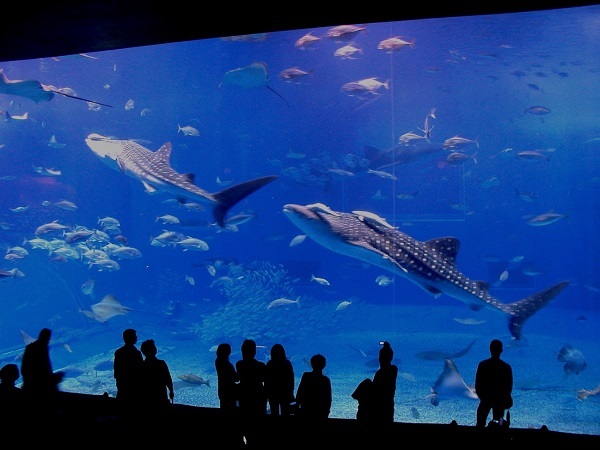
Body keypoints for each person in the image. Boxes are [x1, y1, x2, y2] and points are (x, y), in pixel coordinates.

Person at [20, 328, 65, 419]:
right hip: (41, 388)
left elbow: (25, 369)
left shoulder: (31, 347)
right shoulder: (40, 348)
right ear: (47, 338)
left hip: (31, 386)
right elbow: (42, 371)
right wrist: (51, 380)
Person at [475, 339, 513, 428]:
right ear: (501, 351)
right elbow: (509, 387)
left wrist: (484, 399)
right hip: (499, 402)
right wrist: (502, 399)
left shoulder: (483, 365)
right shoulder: (506, 367)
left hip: (485, 401)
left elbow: (478, 385)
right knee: (499, 425)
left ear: (490, 349)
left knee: (480, 424)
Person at [236, 339, 267, 445]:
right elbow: (264, 379)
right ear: (254, 351)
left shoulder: (239, 364)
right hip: (258, 395)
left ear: (242, 351)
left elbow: (239, 378)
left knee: (245, 419)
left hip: (244, 395)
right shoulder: (261, 365)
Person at [139, 339, 174, 417]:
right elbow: (168, 378)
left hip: (147, 398)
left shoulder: (141, 365)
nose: (155, 348)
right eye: (153, 347)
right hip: (161, 397)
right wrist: (171, 391)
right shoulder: (161, 363)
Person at [113, 328, 144, 415]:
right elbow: (141, 369)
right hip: (134, 384)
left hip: (122, 383)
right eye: (135, 336)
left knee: (122, 405)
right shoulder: (136, 353)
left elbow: (116, 370)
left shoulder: (118, 352)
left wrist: (118, 381)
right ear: (133, 338)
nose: (136, 338)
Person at [295, 353, 331, 420]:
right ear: (324, 365)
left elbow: (300, 392)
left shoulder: (306, 376)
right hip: (320, 412)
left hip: (306, 409)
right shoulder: (325, 380)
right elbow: (328, 398)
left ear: (311, 364)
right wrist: (326, 411)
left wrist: (297, 405)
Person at [371, 341, 398, 425]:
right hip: (389, 404)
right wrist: (387, 348)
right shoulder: (393, 369)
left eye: (380, 356)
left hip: (379, 406)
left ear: (380, 358)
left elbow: (375, 390)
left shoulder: (380, 373)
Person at [265, 343, 295, 416]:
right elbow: (291, 379)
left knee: (274, 412)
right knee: (286, 412)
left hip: (273, 393)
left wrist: (267, 393)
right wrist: (291, 392)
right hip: (285, 393)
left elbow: (267, 380)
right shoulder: (287, 364)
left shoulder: (269, 364)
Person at [215, 342, 239, 414]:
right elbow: (236, 379)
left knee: (223, 408)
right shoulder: (228, 365)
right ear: (229, 352)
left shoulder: (217, 361)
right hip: (230, 391)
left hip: (222, 390)